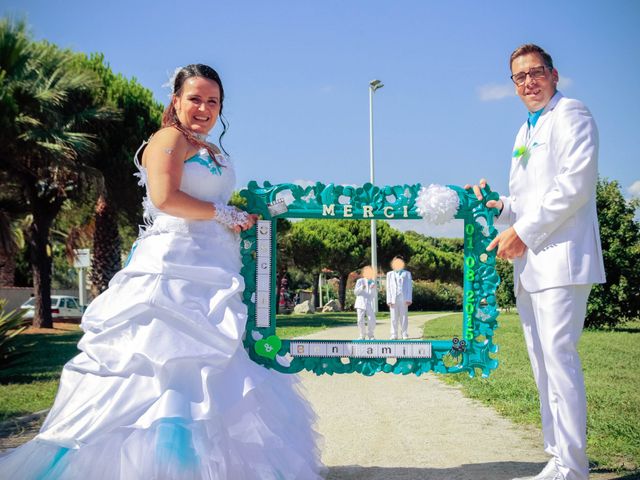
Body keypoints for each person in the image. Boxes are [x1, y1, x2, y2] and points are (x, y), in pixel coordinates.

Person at [0, 64, 325, 479]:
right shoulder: (168, 138)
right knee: (163, 364)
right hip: (173, 268)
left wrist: (234, 217)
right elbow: (165, 197)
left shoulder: (210, 148)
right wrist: (224, 213)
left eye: (213, 101)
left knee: (213, 367)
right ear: (175, 100)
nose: (204, 108)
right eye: (195, 99)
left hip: (213, 266)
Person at [466, 44, 605, 480]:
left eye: (536, 72)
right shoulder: (524, 131)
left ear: (554, 74)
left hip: (562, 261)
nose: (528, 82)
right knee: (542, 363)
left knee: (559, 359)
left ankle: (573, 465)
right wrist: (500, 207)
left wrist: (522, 233)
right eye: (519, 77)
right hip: (531, 266)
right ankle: (558, 455)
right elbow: (528, 200)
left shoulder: (571, 114)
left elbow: (574, 186)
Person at [385, 256, 413, 340]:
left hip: (403, 298)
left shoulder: (407, 273)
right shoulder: (389, 274)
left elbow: (409, 287)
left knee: (404, 317)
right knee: (393, 317)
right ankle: (394, 334)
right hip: (393, 298)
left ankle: (404, 333)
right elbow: (388, 288)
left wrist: (409, 299)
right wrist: (389, 300)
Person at [353, 265, 377, 340]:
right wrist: (361, 288)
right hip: (360, 303)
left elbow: (374, 295)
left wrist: (372, 289)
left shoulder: (373, 282)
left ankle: (371, 335)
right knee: (360, 320)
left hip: (369, 303)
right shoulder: (360, 281)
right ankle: (362, 335)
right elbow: (355, 293)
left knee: (372, 319)